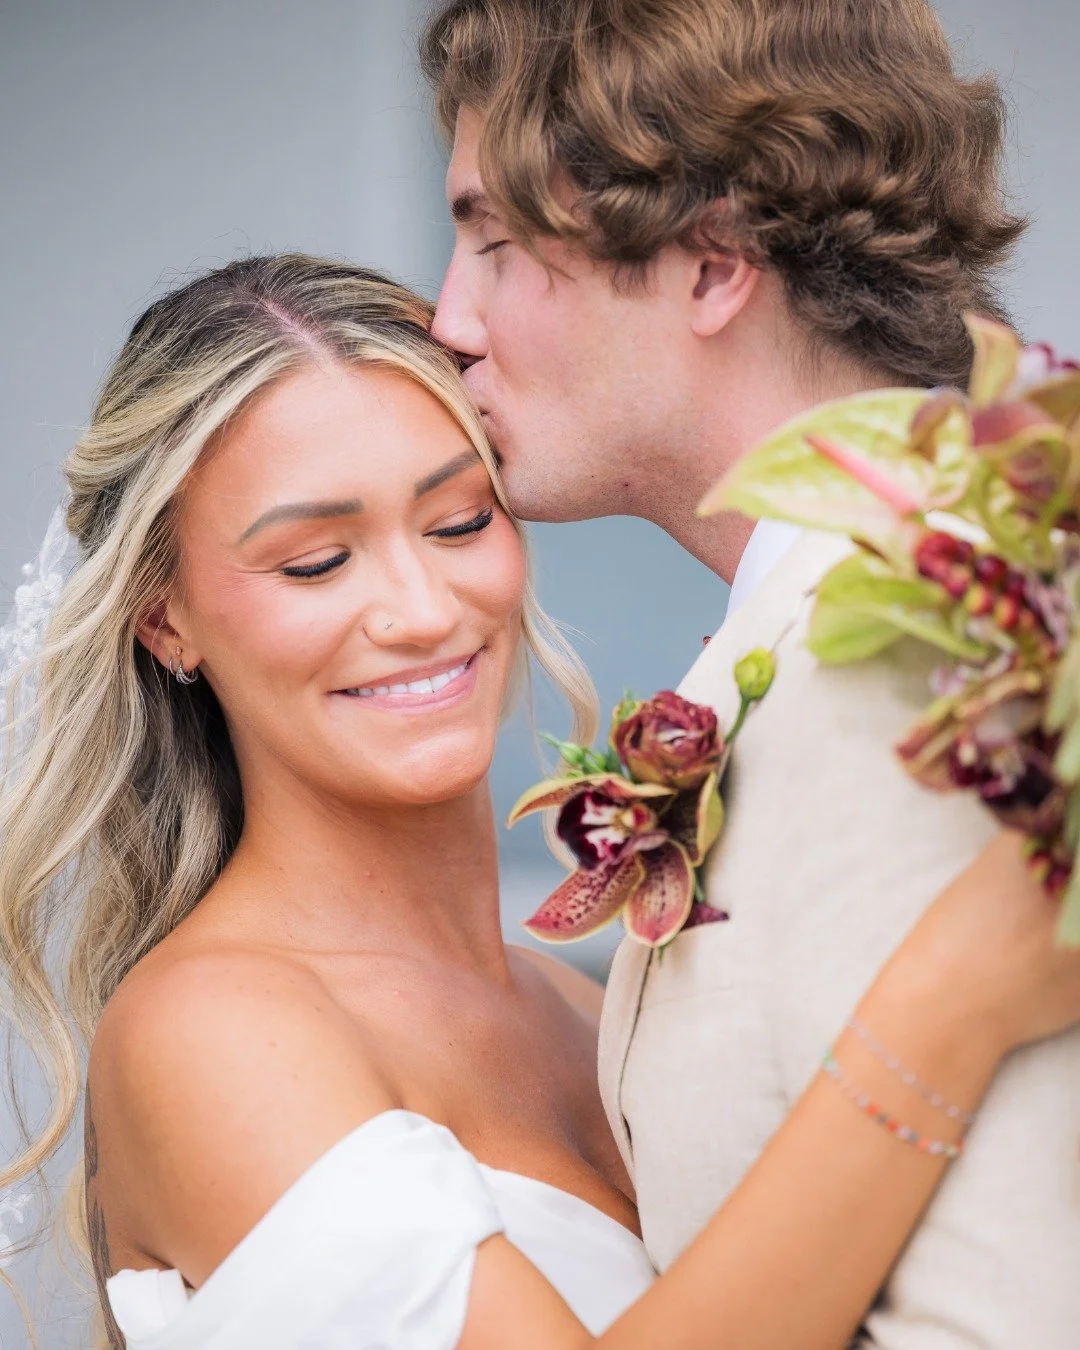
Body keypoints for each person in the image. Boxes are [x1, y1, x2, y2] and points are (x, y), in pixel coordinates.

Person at [0, 254, 1077, 1350]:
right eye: (317, 562)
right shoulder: (207, 1034)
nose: (421, 610)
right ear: (165, 618)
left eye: (461, 523)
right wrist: (949, 1012)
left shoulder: (589, 1011)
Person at [421, 0, 1080, 1345]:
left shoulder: (932, 650)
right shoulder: (810, 629)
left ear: (713, 262)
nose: (449, 317)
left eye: (492, 239)